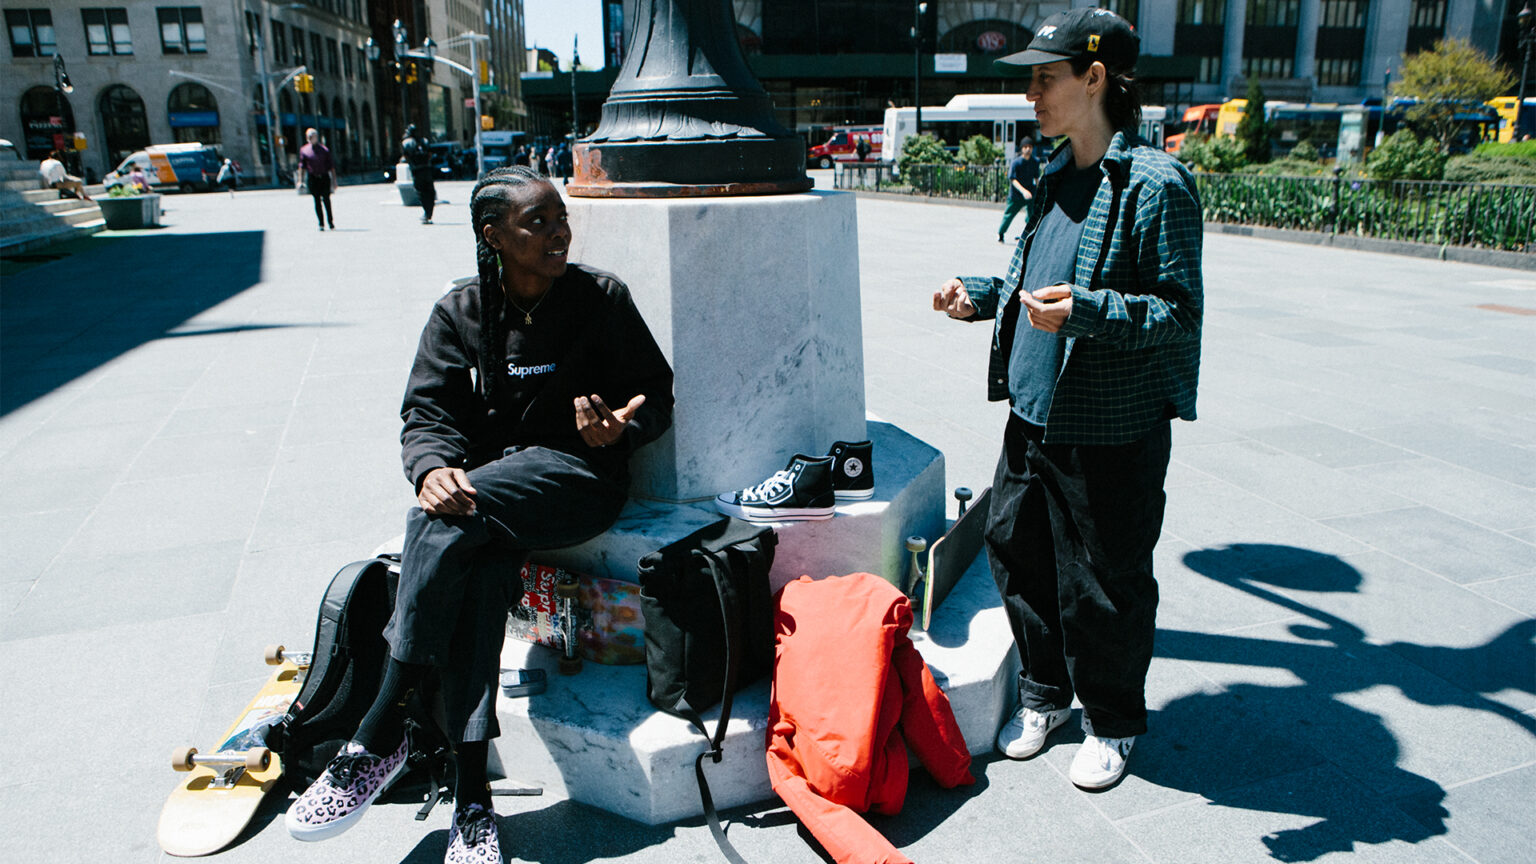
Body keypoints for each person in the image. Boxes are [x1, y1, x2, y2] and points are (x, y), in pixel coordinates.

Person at [284, 165, 675, 863]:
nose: (560, 233)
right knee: (476, 556)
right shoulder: (460, 313)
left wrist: (621, 427)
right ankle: (472, 800)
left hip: (578, 480)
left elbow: (655, 394)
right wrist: (432, 468)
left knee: (438, 524)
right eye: (539, 223)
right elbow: (425, 412)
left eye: (561, 218)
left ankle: (384, 725)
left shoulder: (600, 299)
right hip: (488, 499)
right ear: (493, 236)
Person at [931, 7, 1203, 791]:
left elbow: (1180, 315)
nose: (1034, 95)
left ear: (1094, 79)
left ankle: (1113, 722)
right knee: (1017, 557)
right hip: (1031, 413)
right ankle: (1047, 696)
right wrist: (979, 296)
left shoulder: (1155, 184)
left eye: (1046, 78)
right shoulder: (1053, 174)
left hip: (1110, 427)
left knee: (1105, 585)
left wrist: (1091, 311)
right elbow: (1030, 280)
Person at [997, 136, 1038, 242]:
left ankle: (1028, 236)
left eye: (1030, 147)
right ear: (1021, 149)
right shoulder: (1016, 163)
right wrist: (1023, 191)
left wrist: (1037, 190)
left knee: (1031, 216)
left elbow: (1036, 178)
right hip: (1016, 195)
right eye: (1025, 147)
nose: (1028, 149)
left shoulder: (1035, 162)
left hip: (1030, 193)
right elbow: (1013, 179)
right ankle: (1001, 234)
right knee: (1009, 215)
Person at [297, 128, 337, 230]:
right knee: (317, 201)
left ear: (316, 137)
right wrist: (300, 180)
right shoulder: (304, 150)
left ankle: (330, 222)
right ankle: (321, 223)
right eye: (308, 136)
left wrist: (334, 181)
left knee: (326, 200)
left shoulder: (324, 150)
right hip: (313, 178)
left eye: (312, 136)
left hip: (324, 177)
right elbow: (302, 166)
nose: (310, 138)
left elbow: (331, 167)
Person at [402, 124, 436, 224]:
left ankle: (426, 213)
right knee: (430, 192)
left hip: (417, 171)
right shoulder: (424, 141)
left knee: (421, 193)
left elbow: (405, 156)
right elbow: (430, 154)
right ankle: (429, 213)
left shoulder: (406, 142)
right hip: (427, 170)